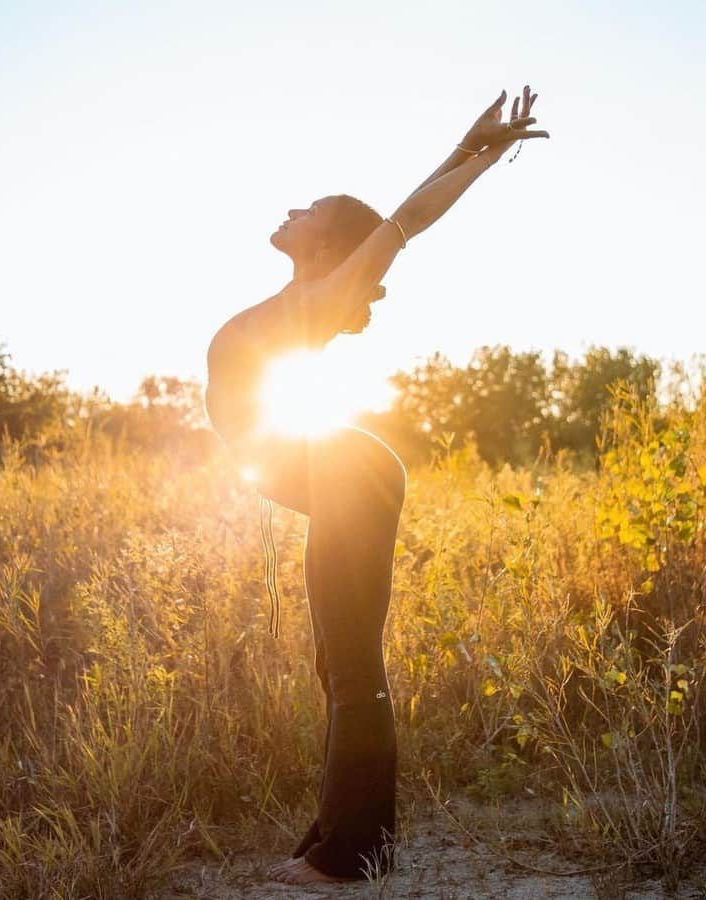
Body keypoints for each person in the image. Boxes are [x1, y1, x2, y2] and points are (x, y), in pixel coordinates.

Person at [205, 85, 548, 885]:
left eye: (312, 208)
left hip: (345, 468)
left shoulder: (331, 291)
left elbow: (406, 218)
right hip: (335, 469)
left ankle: (349, 859)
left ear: (330, 248)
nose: (294, 209)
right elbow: (391, 214)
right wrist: (464, 143)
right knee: (339, 661)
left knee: (353, 662)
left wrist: (478, 156)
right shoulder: (302, 294)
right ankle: (344, 837)